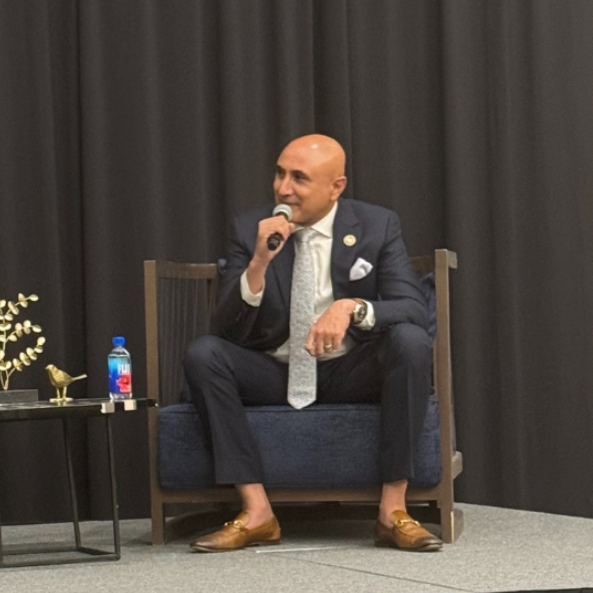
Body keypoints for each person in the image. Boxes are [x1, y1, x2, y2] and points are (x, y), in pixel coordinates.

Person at [183, 134, 441, 553]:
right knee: (203, 354)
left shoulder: (377, 226)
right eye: (280, 174)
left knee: (410, 341)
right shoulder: (251, 229)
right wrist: (258, 264)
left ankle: (393, 511)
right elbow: (225, 330)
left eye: (299, 178)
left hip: (348, 368)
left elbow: (411, 307)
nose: (283, 188)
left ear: (335, 187)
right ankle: (257, 512)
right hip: (274, 370)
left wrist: (352, 307)